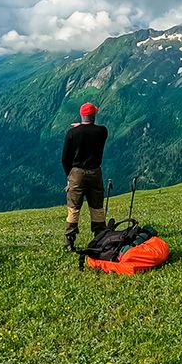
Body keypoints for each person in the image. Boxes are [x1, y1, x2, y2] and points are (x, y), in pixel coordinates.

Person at [61, 102, 108, 252]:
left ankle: (70, 241)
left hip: (77, 173)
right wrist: (83, 128)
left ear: (82, 116)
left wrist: (70, 175)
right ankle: (100, 237)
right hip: (95, 172)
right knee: (97, 206)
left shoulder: (72, 133)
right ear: (94, 116)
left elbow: (65, 158)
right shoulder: (102, 132)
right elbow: (91, 131)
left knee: (74, 207)